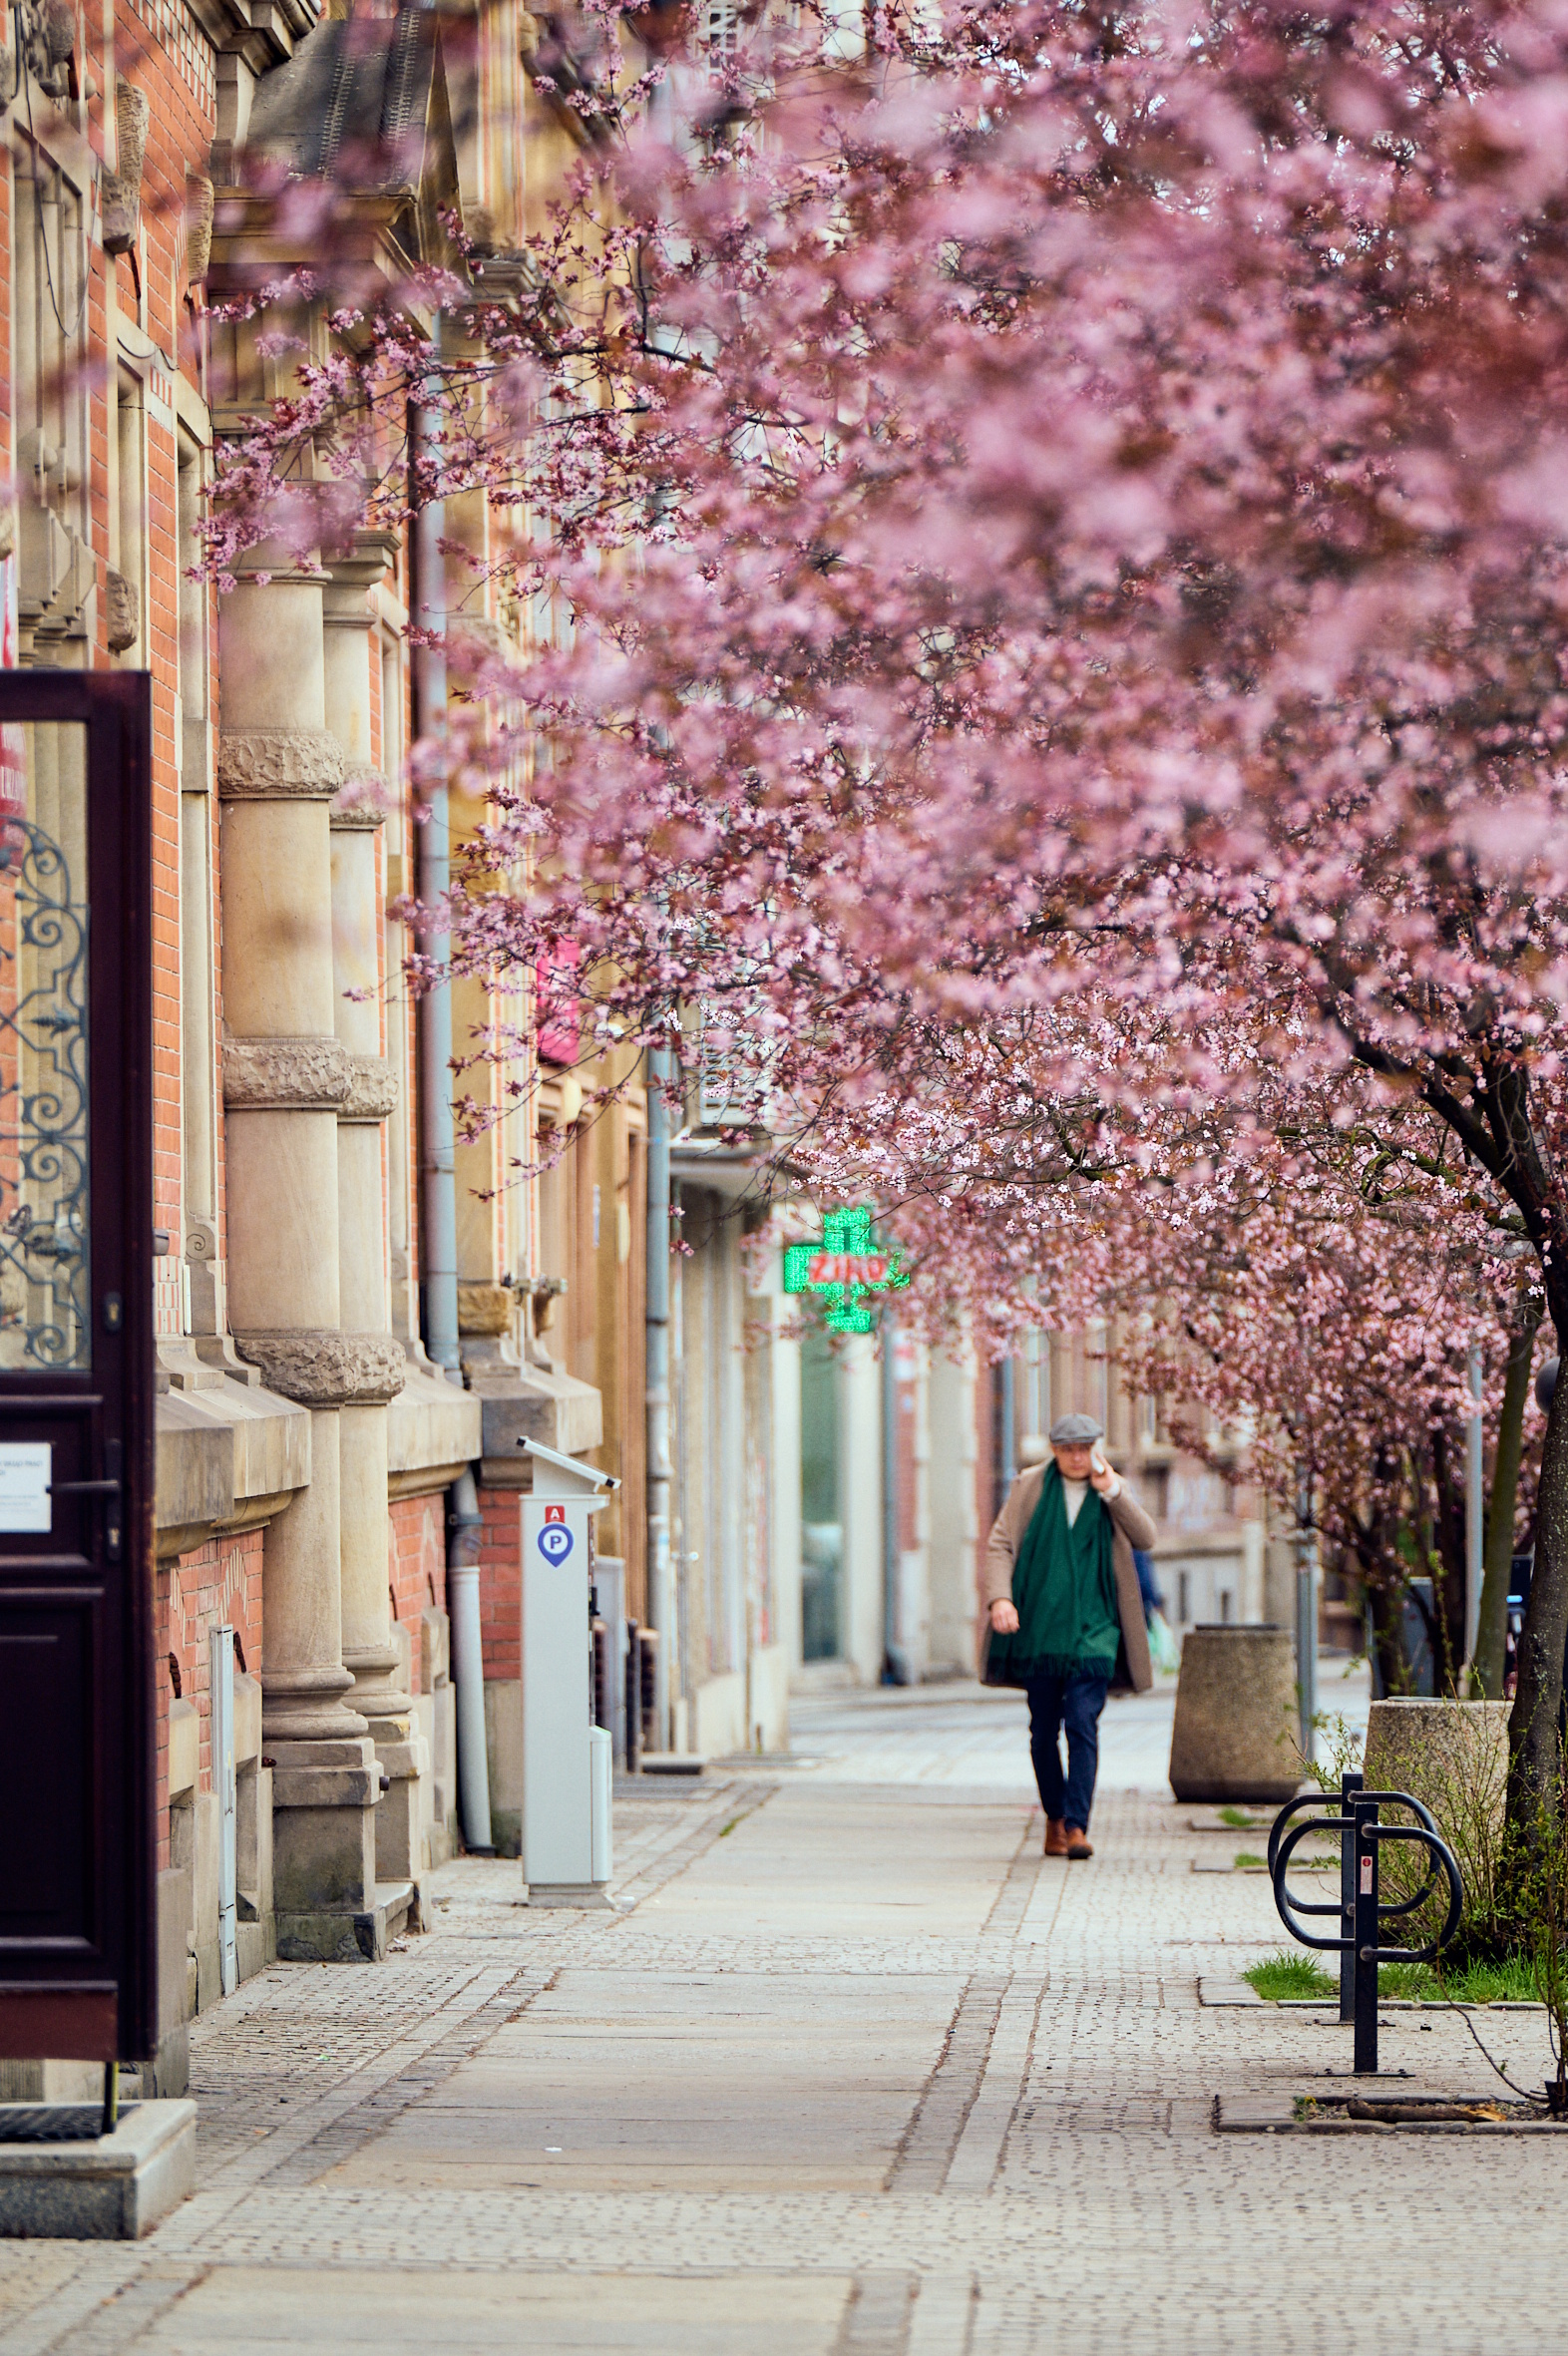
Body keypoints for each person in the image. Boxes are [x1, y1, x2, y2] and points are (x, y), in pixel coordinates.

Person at [983, 1411, 1157, 1859]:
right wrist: (1001, 1599)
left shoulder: (1110, 1490)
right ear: (1055, 1451)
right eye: (1068, 1449)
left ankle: (1078, 1826)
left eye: (1085, 1448)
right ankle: (1055, 1819)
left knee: (1082, 1723)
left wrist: (1115, 1492)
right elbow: (1001, 1543)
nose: (1078, 1457)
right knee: (1043, 1732)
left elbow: (1146, 1538)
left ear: (1096, 1448)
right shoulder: (1030, 1487)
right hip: (1040, 1632)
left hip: (1096, 1630)